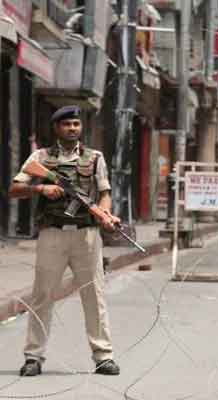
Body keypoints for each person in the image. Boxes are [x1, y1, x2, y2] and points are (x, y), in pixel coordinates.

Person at [9, 105, 121, 377]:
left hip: (87, 234)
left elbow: (104, 191)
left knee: (94, 296)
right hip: (53, 234)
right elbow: (14, 189)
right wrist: (41, 188)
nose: (73, 128)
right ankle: (33, 356)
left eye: (76, 124)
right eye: (67, 124)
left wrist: (104, 213)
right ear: (56, 128)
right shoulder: (41, 157)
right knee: (42, 296)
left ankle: (103, 356)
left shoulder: (95, 157)